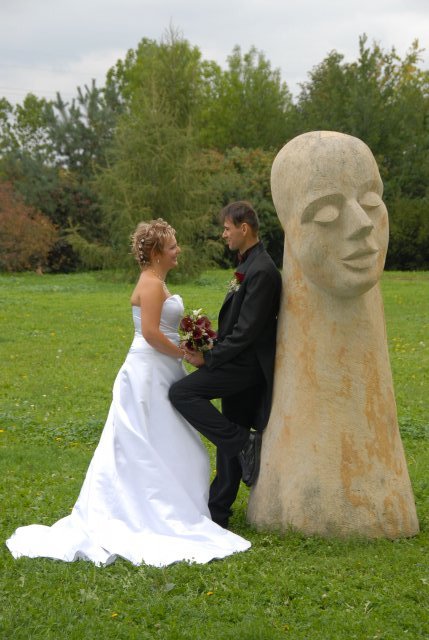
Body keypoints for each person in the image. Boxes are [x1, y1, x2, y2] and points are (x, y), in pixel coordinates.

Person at [6, 219, 250, 567]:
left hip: (162, 369)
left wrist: (190, 343)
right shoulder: (150, 284)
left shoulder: (157, 281)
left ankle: (177, 507)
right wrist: (183, 353)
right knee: (146, 443)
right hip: (148, 373)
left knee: (177, 445)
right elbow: (150, 333)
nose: (178, 250)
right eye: (172, 246)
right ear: (157, 252)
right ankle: (148, 511)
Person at [169, 202, 282, 529]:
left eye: (227, 228)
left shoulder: (263, 271)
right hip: (235, 358)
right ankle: (218, 512)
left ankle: (244, 442)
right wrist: (208, 342)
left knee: (182, 394)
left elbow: (247, 333)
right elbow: (238, 325)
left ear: (244, 228)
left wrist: (210, 358)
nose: (224, 234)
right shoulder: (249, 263)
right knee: (231, 428)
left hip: (246, 367)